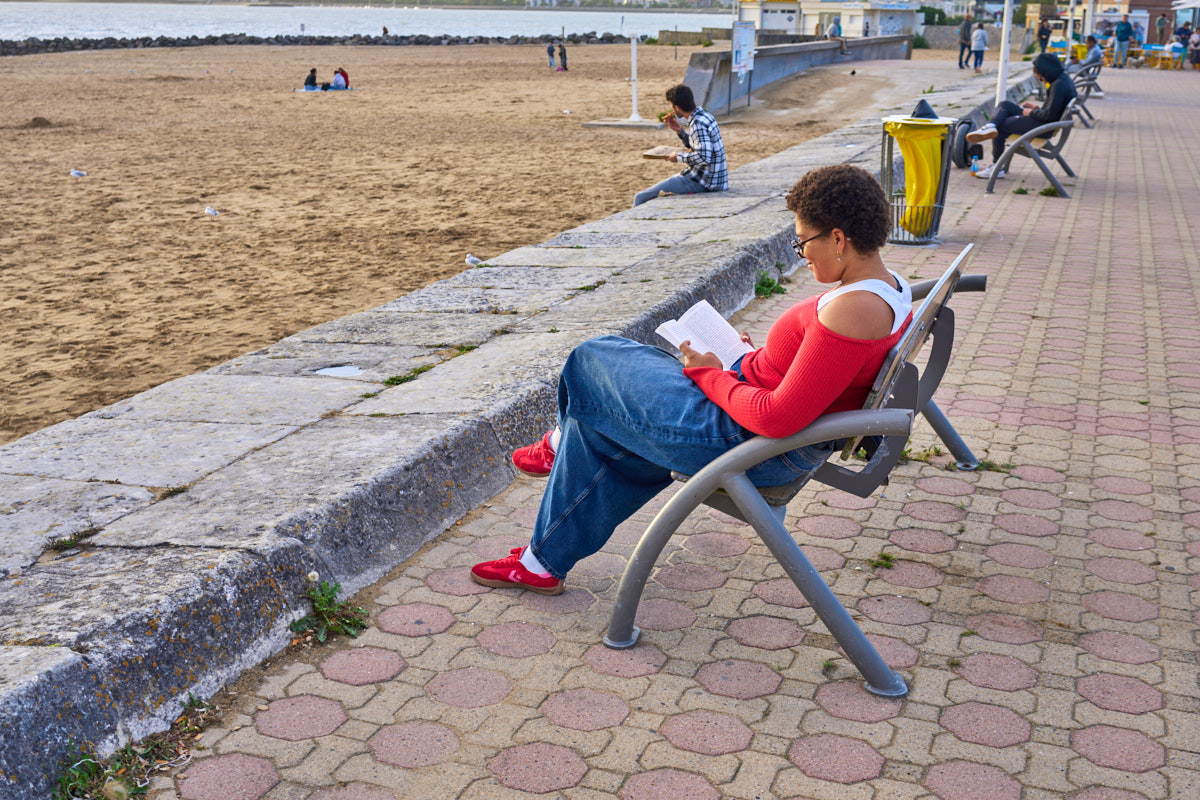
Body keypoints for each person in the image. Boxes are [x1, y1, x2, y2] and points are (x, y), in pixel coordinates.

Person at [470, 165, 914, 596]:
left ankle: (556, 441)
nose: (801, 254)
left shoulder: (854, 310)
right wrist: (749, 357)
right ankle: (540, 564)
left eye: (802, 243)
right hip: (744, 415)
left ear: (837, 238)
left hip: (749, 444)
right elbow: (818, 371)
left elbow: (778, 418)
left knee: (594, 355)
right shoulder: (888, 285)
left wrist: (710, 374)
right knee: (601, 421)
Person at [966, 52, 1077, 180]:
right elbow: (1053, 110)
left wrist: (1030, 113)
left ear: (1046, 71)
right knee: (1005, 105)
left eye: (1041, 77)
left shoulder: (1058, 86)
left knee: (1001, 126)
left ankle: (997, 166)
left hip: (1044, 127)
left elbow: (1049, 116)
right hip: (1044, 123)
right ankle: (990, 125)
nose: (1042, 80)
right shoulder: (1063, 79)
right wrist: (1036, 108)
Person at [633, 84, 727, 206]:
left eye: (671, 105)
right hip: (715, 180)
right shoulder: (705, 115)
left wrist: (678, 157)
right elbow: (699, 146)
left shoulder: (697, 124)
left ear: (677, 107)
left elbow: (704, 157)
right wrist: (680, 131)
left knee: (640, 197)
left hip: (705, 182)